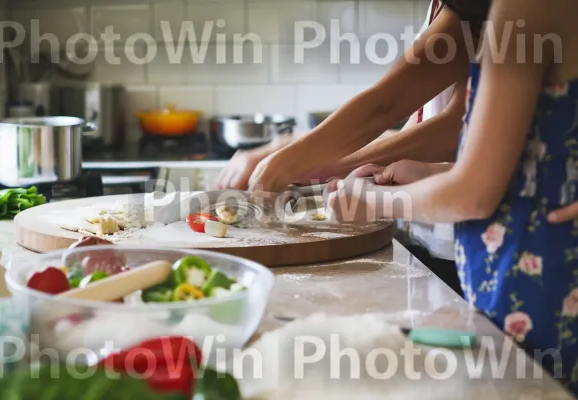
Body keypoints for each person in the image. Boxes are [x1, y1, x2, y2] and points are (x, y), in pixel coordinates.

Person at [328, 0, 578, 393]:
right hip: (519, 295)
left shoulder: (525, 6)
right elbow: (535, 166)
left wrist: (371, 201)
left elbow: (474, 195)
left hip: (540, 301)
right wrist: (429, 172)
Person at [217, 1, 465, 191]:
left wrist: (297, 161)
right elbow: (419, 125)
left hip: (472, 227)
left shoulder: (474, 9)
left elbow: (449, 128)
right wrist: (291, 147)